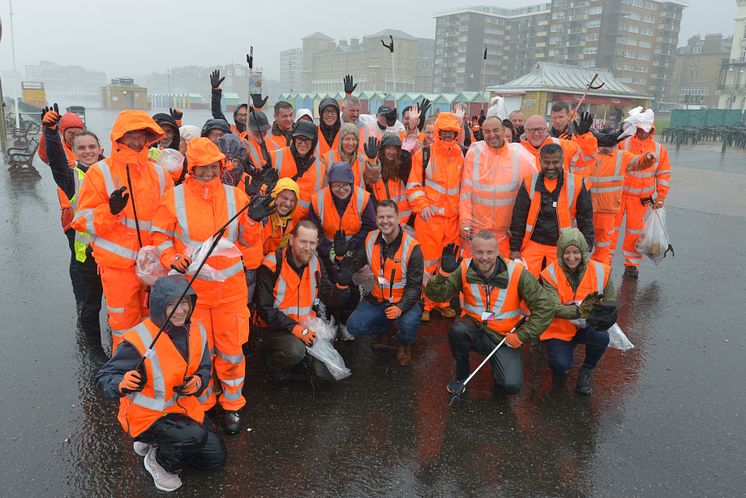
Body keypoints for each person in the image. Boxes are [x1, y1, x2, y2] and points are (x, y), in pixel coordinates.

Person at [151, 137, 266, 434]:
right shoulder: (174, 198)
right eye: (201, 167)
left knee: (231, 350)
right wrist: (171, 257)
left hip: (230, 290)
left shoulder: (235, 196)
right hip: (192, 292)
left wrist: (253, 221)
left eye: (212, 167)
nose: (207, 172)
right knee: (199, 350)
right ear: (192, 168)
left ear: (220, 165)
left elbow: (249, 241)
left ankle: (232, 405)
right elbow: (160, 236)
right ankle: (201, 405)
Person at [96, 275, 226, 492]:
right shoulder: (139, 340)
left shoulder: (197, 330)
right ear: (159, 306)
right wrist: (122, 382)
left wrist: (198, 382)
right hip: (147, 417)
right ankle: (159, 462)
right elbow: (104, 378)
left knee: (215, 459)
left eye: (184, 302)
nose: (180, 310)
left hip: (182, 411)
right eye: (172, 304)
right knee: (192, 437)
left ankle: (166, 443)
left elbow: (204, 368)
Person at [72, 110, 172, 351]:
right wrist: (111, 211)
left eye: (142, 136)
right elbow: (82, 220)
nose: (137, 142)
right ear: (119, 138)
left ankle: (151, 375)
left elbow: (171, 218)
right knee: (123, 327)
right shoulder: (99, 172)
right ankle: (125, 380)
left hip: (153, 267)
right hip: (117, 269)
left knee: (155, 324)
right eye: (131, 136)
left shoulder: (159, 173)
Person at [425, 230, 553, 395]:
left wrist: (521, 336)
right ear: (472, 251)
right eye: (479, 252)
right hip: (474, 329)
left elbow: (545, 309)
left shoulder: (517, 272)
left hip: (504, 338)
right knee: (458, 331)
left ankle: (498, 362)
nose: (484, 257)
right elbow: (436, 295)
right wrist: (443, 274)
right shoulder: (463, 268)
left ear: (498, 252)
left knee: (511, 385)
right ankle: (462, 374)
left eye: (489, 252)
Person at [41, 104, 106, 365]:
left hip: (115, 255)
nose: (88, 152)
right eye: (82, 148)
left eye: (92, 147)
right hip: (87, 254)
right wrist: (50, 131)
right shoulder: (71, 177)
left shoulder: (112, 173)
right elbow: (55, 160)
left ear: (100, 149)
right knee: (91, 306)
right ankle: (95, 350)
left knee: (119, 307)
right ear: (74, 151)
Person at [256, 221, 351, 382]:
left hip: (306, 327)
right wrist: (295, 329)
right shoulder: (272, 263)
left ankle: (300, 361)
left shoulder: (316, 262)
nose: (307, 247)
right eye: (303, 241)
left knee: (325, 373)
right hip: (276, 328)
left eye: (312, 243)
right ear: (292, 240)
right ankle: (273, 365)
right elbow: (264, 309)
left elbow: (329, 297)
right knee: (295, 351)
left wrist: (342, 286)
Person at [345, 201, 424, 366]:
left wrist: (400, 307)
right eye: (381, 217)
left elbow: (415, 287)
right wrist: (340, 257)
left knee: (409, 323)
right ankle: (385, 329)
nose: (385, 221)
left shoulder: (412, 247)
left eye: (389, 216)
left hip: (404, 302)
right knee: (353, 326)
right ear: (376, 220)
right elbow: (355, 262)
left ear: (398, 218)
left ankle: (404, 344)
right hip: (378, 299)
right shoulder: (370, 238)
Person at [540, 228, 616, 395]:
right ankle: (561, 353)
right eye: (567, 252)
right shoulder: (549, 274)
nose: (571, 257)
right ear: (560, 253)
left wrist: (607, 315)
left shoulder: (601, 271)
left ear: (583, 251)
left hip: (589, 326)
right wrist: (580, 311)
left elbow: (611, 301)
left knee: (601, 336)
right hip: (560, 328)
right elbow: (553, 308)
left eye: (576, 252)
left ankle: (587, 370)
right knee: (560, 366)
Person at [406, 111, 465, 321]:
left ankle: (443, 301)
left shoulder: (462, 155)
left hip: (453, 220)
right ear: (438, 132)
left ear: (457, 133)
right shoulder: (423, 154)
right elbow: (413, 185)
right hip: (429, 220)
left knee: (448, 263)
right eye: (444, 132)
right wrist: (421, 205)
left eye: (452, 132)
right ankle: (426, 303)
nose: (448, 136)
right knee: (427, 264)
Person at [308, 162, 376, 332]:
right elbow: (314, 229)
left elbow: (370, 227)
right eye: (336, 185)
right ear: (330, 185)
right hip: (326, 249)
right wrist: (329, 250)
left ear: (351, 184)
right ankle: (332, 318)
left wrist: (350, 247)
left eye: (345, 185)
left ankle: (346, 321)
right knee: (329, 284)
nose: (341, 189)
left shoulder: (364, 198)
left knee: (349, 283)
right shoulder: (318, 199)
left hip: (354, 249)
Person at [509, 143, 594, 276]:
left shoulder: (576, 183)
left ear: (562, 161)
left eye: (555, 162)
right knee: (525, 283)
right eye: (546, 162)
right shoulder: (529, 183)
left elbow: (586, 219)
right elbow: (518, 218)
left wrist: (585, 248)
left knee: (557, 285)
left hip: (561, 246)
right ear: (540, 161)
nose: (550, 167)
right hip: (532, 244)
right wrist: (514, 249)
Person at [459, 116, 536, 258]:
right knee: (472, 275)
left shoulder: (519, 155)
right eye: (487, 131)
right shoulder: (474, 153)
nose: (492, 135)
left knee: (501, 277)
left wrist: (518, 230)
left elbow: (531, 195)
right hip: (476, 234)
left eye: (496, 130)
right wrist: (465, 223)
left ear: (504, 131)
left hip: (504, 235)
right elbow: (466, 193)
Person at [615, 108, 671, 278]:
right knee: (609, 230)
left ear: (651, 130)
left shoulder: (659, 150)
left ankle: (631, 264)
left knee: (634, 233)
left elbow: (663, 174)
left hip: (639, 199)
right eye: (639, 130)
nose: (642, 134)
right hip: (618, 195)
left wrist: (661, 196)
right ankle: (604, 261)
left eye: (645, 130)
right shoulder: (623, 143)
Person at [590, 128, 657, 265]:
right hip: (586, 209)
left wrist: (647, 158)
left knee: (603, 245)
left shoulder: (622, 156)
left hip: (607, 210)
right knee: (582, 243)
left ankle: (601, 271)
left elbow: (638, 162)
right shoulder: (590, 154)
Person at [268, 120, 323, 220]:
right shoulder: (274, 157)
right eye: (299, 139)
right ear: (294, 139)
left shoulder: (322, 167)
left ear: (313, 142)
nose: (303, 144)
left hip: (303, 225)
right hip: (275, 221)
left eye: (307, 140)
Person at [363, 133, 413, 226]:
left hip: (403, 222)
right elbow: (371, 176)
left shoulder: (402, 169)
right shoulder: (376, 168)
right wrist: (372, 160)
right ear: (383, 150)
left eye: (395, 148)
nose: (392, 152)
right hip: (382, 222)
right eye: (388, 148)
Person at [320, 123, 367, 188]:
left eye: (354, 139)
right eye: (347, 139)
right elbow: (325, 187)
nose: (351, 143)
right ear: (341, 141)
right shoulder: (327, 158)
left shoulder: (363, 160)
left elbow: (372, 180)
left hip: (357, 198)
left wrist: (372, 163)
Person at [261, 178, 300, 255]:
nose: (288, 204)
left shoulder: (288, 224)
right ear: (275, 195)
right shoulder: (261, 216)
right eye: (284, 198)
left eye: (292, 201)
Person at [209, 69, 248, 137]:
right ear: (235, 116)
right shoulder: (229, 129)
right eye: (240, 115)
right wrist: (215, 90)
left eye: (245, 115)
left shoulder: (255, 132)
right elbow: (217, 113)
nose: (243, 118)